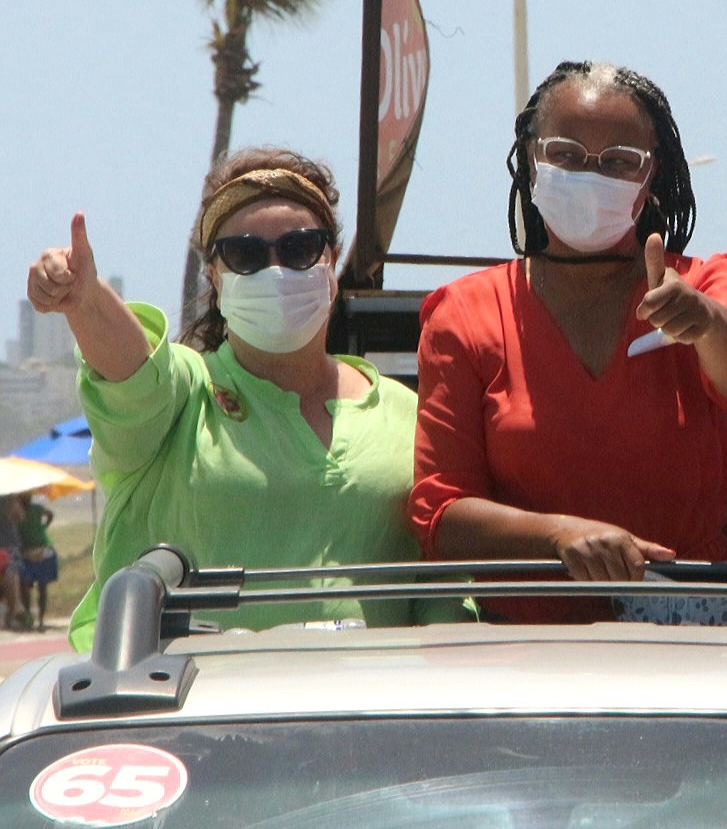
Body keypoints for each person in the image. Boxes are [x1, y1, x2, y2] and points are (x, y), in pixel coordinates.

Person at [28, 146, 467, 650]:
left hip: (369, 709)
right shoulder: (184, 397)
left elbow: (442, 583)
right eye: (246, 254)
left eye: (299, 248)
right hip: (197, 709)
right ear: (214, 274)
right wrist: (86, 302)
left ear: (331, 259)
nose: (275, 269)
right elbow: (132, 375)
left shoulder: (405, 412)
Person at [409, 60, 727, 622]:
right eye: (564, 154)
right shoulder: (463, 313)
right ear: (529, 161)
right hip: (523, 657)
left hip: (683, 651)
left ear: (651, 177)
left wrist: (704, 321)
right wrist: (560, 535)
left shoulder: (707, 281)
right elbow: (440, 513)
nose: (589, 174)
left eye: (618, 162)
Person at [15, 492, 57, 632]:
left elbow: (49, 514)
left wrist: (43, 527)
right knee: (25, 587)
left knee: (42, 587)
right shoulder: (17, 510)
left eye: (28, 496)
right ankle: (29, 618)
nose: (27, 498)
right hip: (25, 552)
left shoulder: (36, 509)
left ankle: (41, 619)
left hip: (40, 550)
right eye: (24, 496)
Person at [0, 497, 32, 631]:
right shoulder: (9, 496)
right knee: (12, 579)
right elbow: (20, 516)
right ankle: (11, 615)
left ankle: (9, 615)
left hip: (6, 544)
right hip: (9, 544)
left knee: (7, 580)